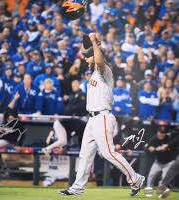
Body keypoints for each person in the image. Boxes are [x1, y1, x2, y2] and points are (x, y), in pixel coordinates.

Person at [59, 33, 145, 197]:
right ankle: (77, 188)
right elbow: (94, 59)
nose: (85, 59)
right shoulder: (93, 74)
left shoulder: (105, 72)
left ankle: (135, 179)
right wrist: (92, 45)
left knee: (108, 153)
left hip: (103, 117)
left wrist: (94, 42)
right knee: (85, 154)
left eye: (87, 57)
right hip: (92, 119)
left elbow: (99, 60)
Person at [145, 126, 177, 193]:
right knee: (151, 175)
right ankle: (148, 191)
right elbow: (147, 147)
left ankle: (161, 192)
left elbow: (176, 135)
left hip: (168, 162)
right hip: (158, 162)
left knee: (164, 177)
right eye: (160, 132)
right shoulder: (154, 139)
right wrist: (151, 149)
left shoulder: (170, 139)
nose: (161, 134)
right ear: (157, 132)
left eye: (163, 133)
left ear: (166, 133)